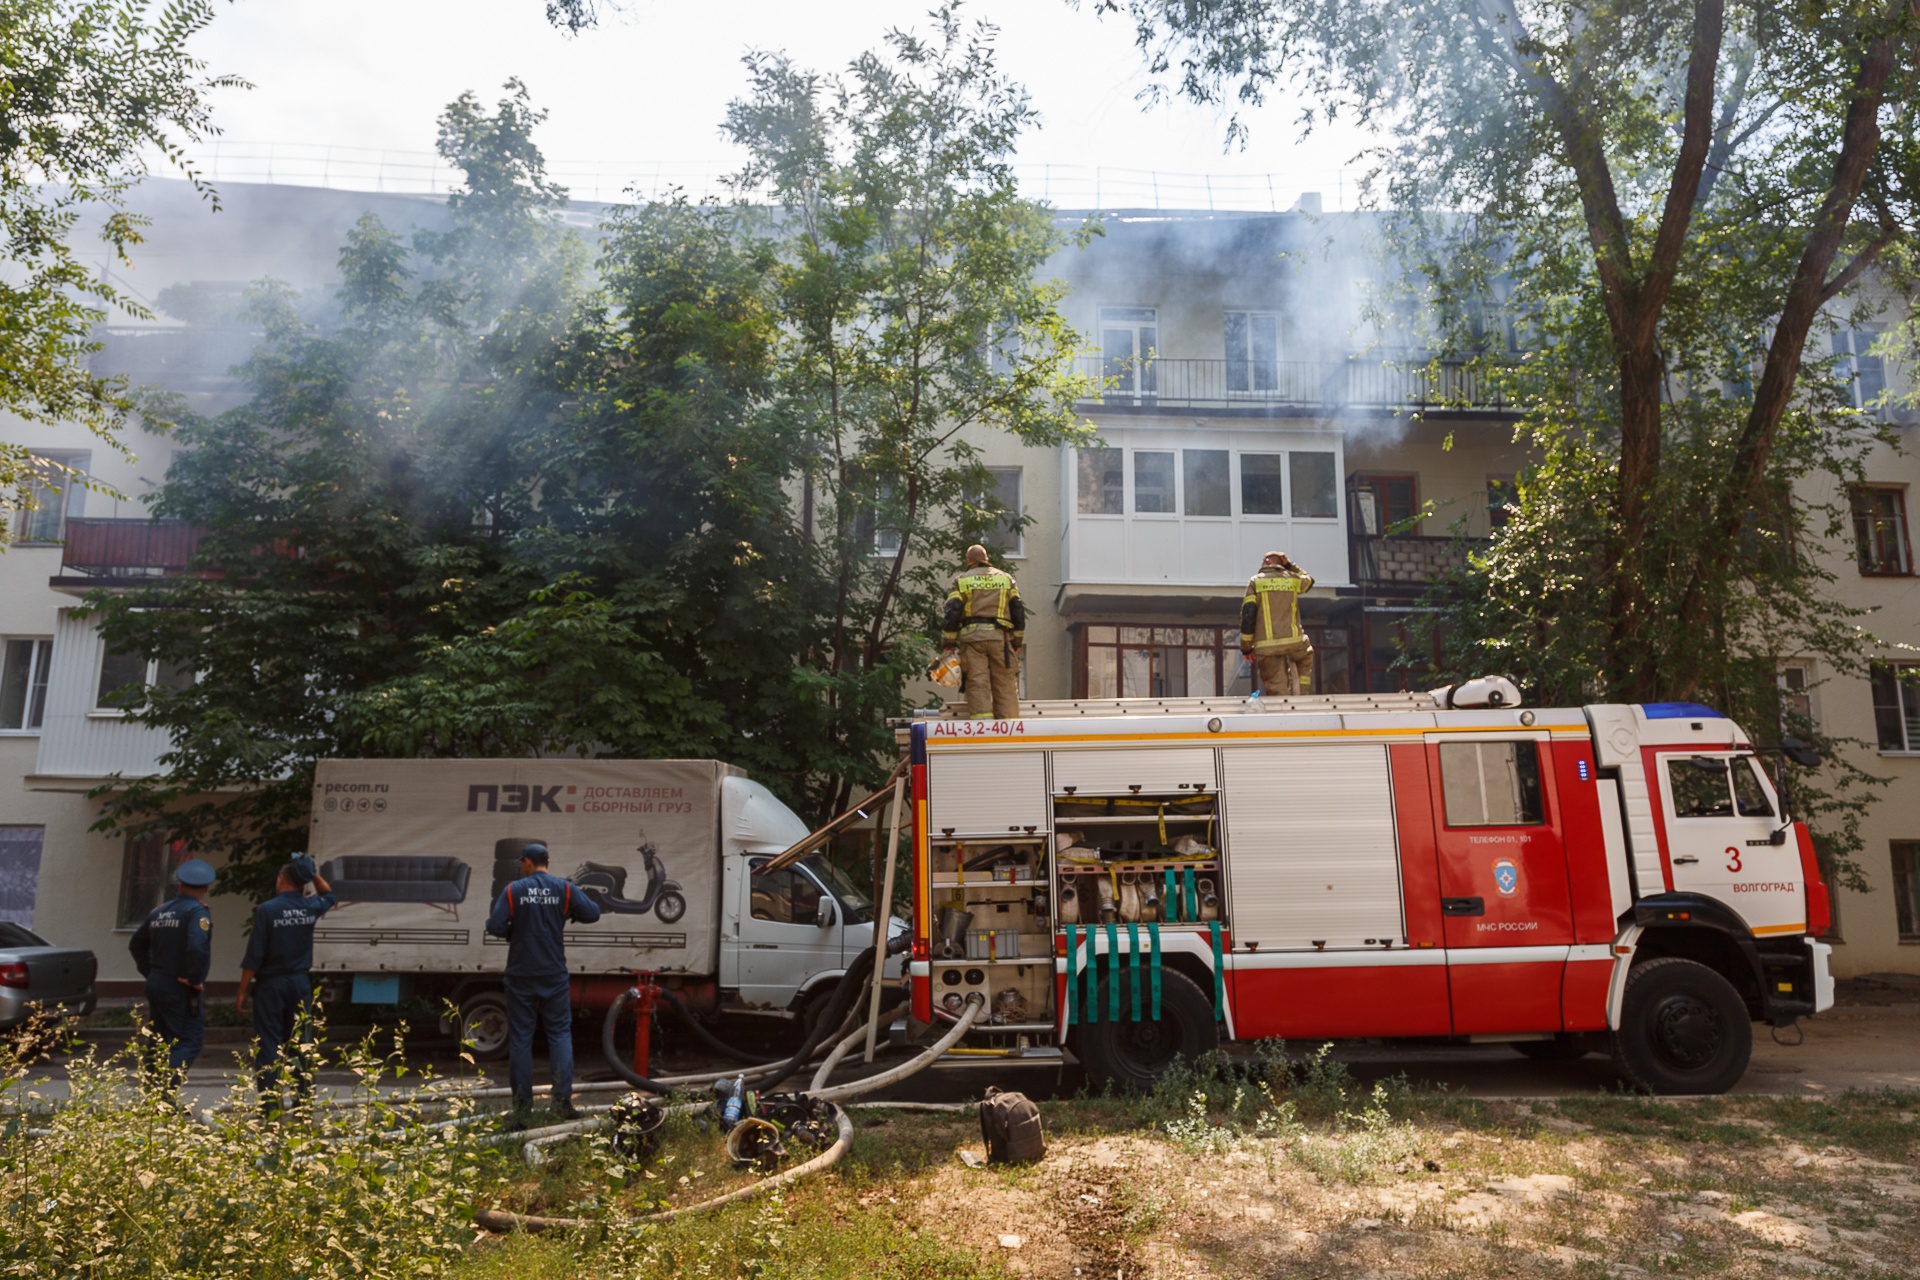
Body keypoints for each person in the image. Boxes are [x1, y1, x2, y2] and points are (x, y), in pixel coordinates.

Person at [484, 841, 601, 1125]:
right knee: (559, 1034)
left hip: (521, 973)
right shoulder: (564, 888)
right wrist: (567, 913)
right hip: (553, 972)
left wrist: (515, 930)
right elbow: (593, 913)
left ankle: (522, 1111)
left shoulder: (514, 890)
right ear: (547, 862)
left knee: (521, 1040)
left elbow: (494, 925)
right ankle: (561, 1104)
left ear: (526, 862)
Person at [236, 853, 336, 1117]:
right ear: (302, 882)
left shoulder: (267, 910)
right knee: (300, 1042)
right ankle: (303, 1106)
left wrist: (243, 990)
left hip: (271, 985)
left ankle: (270, 1107)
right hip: (299, 984)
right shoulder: (309, 906)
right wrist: (311, 872)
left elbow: (254, 956)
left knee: (269, 1044)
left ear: (281, 879)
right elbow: (331, 895)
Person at [128, 858, 217, 1085]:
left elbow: (136, 944)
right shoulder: (197, 913)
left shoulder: (159, 912)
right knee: (188, 1040)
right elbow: (196, 947)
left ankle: (151, 1096)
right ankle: (165, 1097)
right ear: (205, 888)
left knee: (158, 1040)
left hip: (157, 982)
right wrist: (195, 978)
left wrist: (151, 972)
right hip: (181, 986)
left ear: (179, 886)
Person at [941, 544, 1025, 719]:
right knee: (1005, 682)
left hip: (972, 639)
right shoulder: (1006, 579)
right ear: (986, 559)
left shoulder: (962, 580)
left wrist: (949, 643)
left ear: (968, 560)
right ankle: (1009, 729)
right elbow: (1017, 610)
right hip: (1000, 638)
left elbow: (953, 611)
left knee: (977, 682)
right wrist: (1016, 641)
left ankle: (984, 730)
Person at [1240, 551, 1316, 696]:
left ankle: (1284, 703)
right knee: (1305, 657)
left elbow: (1248, 615)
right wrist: (1289, 565)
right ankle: (1300, 695)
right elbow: (1310, 580)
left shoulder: (1256, 581)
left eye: (1263, 561)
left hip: (1266, 646)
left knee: (1277, 688)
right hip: (1294, 642)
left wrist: (1246, 648)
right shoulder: (1293, 579)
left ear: (1268, 561)